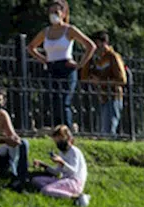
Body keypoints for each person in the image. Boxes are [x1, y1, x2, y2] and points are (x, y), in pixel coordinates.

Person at [26, 0, 95, 130]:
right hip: (52, 68)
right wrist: (44, 59)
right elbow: (31, 47)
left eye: (56, 12)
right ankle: (56, 130)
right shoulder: (45, 32)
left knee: (64, 101)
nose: (53, 14)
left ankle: (67, 131)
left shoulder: (69, 30)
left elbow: (90, 46)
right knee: (53, 101)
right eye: (51, 12)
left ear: (63, 13)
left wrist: (80, 64)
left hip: (66, 67)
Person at [80, 31, 127, 135]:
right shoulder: (97, 59)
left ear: (103, 42)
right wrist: (87, 56)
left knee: (109, 130)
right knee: (103, 130)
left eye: (96, 43)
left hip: (113, 96)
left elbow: (122, 80)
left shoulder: (113, 57)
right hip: (102, 97)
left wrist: (100, 82)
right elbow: (84, 77)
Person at [31, 125, 90, 206]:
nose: (58, 144)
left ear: (67, 138)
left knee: (45, 190)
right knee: (36, 180)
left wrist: (62, 162)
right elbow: (56, 172)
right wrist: (43, 165)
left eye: (60, 141)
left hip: (74, 182)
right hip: (64, 179)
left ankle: (74, 197)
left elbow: (73, 171)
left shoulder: (74, 151)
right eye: (56, 142)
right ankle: (56, 191)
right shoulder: (62, 153)